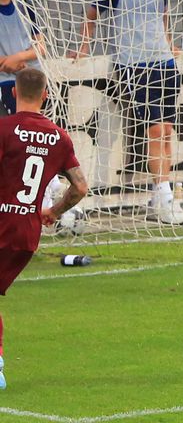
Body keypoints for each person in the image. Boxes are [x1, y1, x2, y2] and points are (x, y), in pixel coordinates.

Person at [74, 0, 183, 224]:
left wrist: (169, 42)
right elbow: (92, 14)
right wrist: (84, 47)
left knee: (165, 131)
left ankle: (160, 195)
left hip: (164, 64)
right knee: (152, 131)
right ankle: (164, 197)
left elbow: (162, 16)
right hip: (133, 66)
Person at [0, 68, 89, 389]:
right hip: (27, 232)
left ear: (13, 93)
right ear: (45, 96)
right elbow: (80, 187)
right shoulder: (59, 137)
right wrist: (53, 210)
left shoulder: (4, 129)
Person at [0, 0, 45, 117]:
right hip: (6, 81)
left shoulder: (25, 5)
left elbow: (41, 47)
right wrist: (9, 63)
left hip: (30, 78)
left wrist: (18, 58)